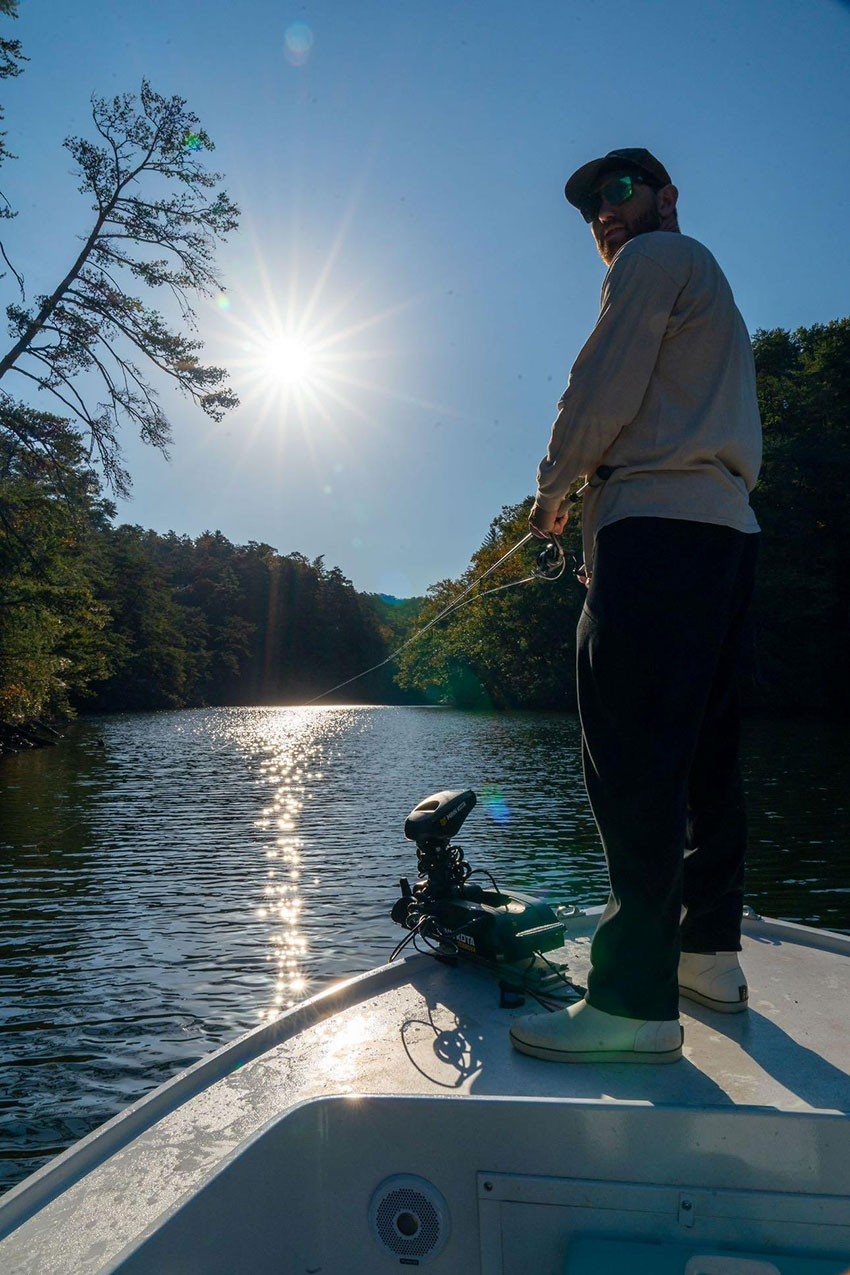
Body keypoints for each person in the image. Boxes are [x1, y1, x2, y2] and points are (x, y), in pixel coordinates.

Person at [509, 148, 762, 1064]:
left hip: (656, 535)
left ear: (667, 198)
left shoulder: (653, 263)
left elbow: (598, 392)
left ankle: (629, 1004)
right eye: (591, 211)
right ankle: (707, 958)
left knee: (634, 761)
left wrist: (549, 495)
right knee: (704, 756)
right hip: (728, 536)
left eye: (620, 193)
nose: (604, 216)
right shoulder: (715, 286)